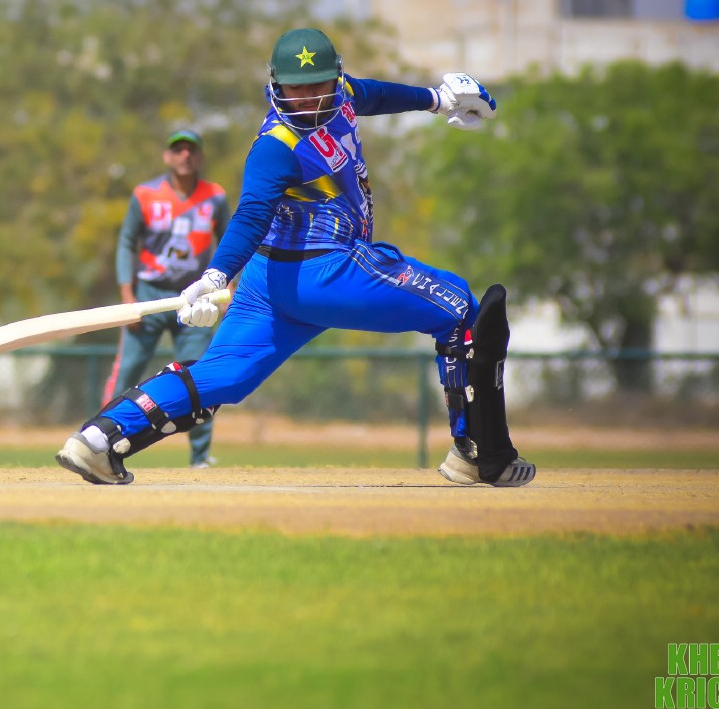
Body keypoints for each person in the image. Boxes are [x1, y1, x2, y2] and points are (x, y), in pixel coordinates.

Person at [57, 27, 536, 488]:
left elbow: (372, 94)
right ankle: (479, 454)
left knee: (223, 376)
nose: (307, 98)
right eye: (295, 88)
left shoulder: (342, 96)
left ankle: (100, 439)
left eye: (317, 86)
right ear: (275, 84)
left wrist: (436, 99)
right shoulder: (275, 147)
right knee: (459, 308)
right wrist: (215, 276)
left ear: (335, 79)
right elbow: (251, 214)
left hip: (270, 282)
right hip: (324, 272)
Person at [110, 128, 230, 467]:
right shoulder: (145, 194)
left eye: (191, 150)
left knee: (199, 375)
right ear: (167, 156)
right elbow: (126, 242)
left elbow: (231, 241)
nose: (185, 155)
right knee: (128, 371)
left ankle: (200, 457)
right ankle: (105, 439)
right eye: (178, 149)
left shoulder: (215, 197)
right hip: (149, 295)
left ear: (200, 156)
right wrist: (127, 293)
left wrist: (230, 287)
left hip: (195, 298)